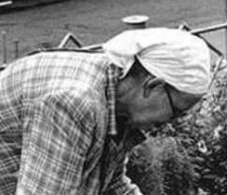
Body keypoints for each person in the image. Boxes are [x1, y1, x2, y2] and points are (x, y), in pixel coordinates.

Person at [0, 28, 211, 195]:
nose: (170, 122)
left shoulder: (117, 102)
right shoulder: (76, 103)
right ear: (153, 86)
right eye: (176, 111)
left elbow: (111, 185)